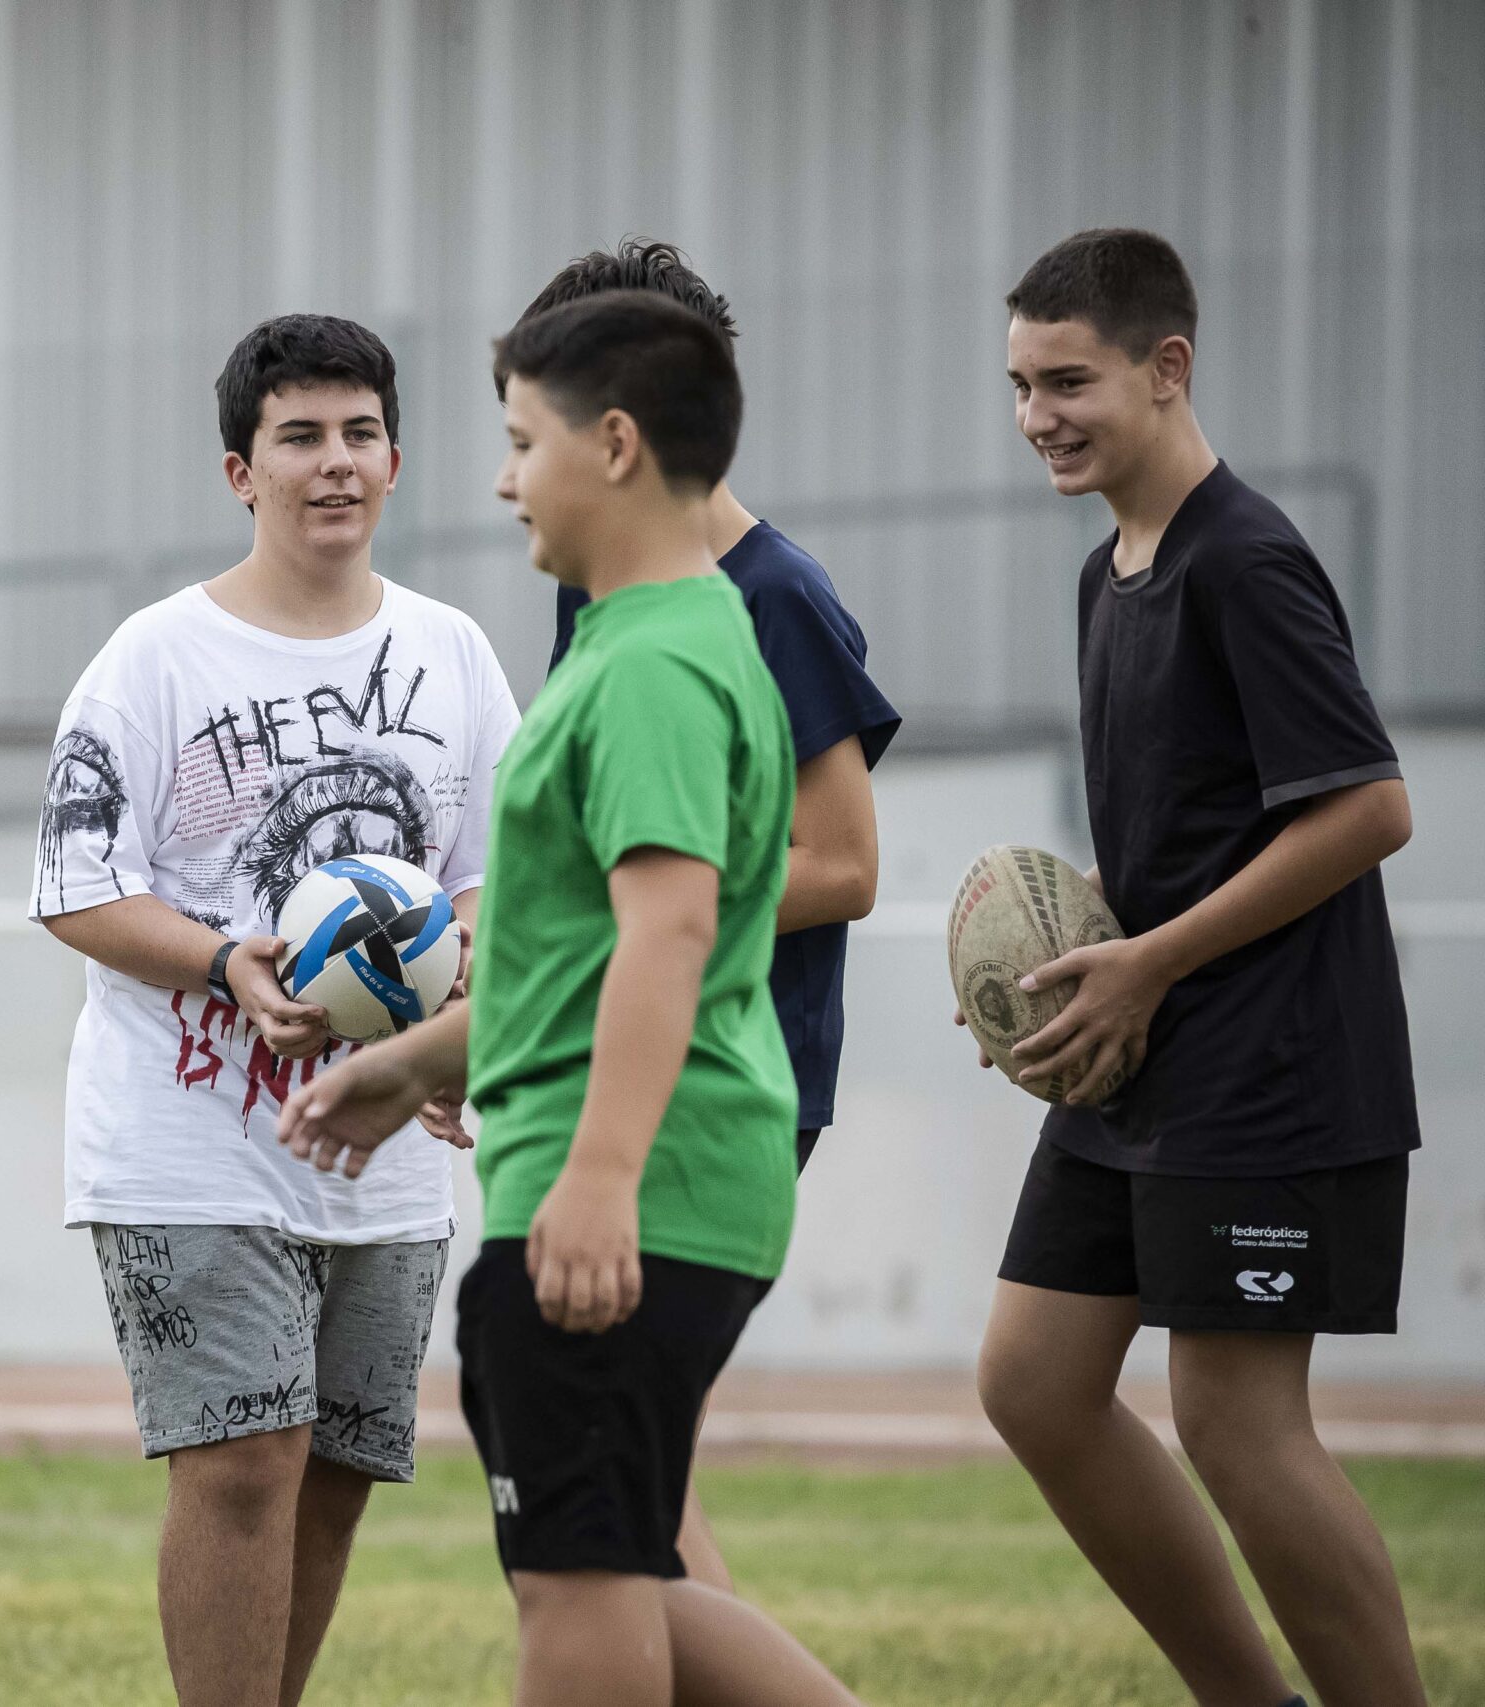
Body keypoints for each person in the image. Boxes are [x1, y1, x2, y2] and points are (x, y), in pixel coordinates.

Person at [279, 290, 861, 1706]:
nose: (499, 476)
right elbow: (583, 959)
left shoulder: (657, 658)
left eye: (519, 439)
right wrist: (411, 1060)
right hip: (653, 1175)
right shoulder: (663, 631)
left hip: (629, 1188)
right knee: (620, 1566)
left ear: (611, 445)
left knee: (578, 1584)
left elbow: (665, 933)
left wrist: (596, 1180)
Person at [31, 314, 518, 1707]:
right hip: (189, 1138)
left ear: (399, 456)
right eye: (299, 437)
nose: (334, 463)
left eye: (359, 433)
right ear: (240, 471)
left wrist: (442, 1000)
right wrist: (226, 959)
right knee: (244, 1463)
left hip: (389, 1150)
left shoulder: (455, 655)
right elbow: (74, 885)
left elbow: (501, 885)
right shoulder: (154, 658)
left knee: (339, 1475)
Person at [978, 227, 1424, 1707]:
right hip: (1141, 1042)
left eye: (1070, 379)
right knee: (1033, 1380)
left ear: (1168, 369)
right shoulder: (1111, 570)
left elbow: (1369, 806)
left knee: (1236, 1421)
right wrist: (1080, 951)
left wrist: (1149, 959)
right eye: (1023, 383)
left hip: (1272, 1059)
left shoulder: (1248, 557)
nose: (1040, 412)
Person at [522, 237, 898, 1591]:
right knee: (631, 1494)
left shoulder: (777, 594)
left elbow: (844, 864)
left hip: (724, 1068)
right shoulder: (597, 582)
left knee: (620, 1496)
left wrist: (639, 913)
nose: (516, 467)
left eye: (538, 422)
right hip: (616, 1052)